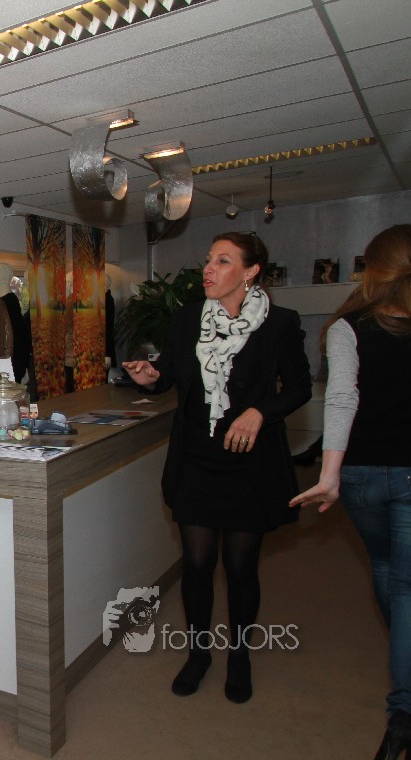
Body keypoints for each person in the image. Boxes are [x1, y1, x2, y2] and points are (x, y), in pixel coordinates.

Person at [122, 231, 311, 704]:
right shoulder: (189, 318)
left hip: (249, 465)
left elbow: (300, 387)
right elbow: (168, 375)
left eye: (222, 261)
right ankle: (198, 653)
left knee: (240, 567)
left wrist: (260, 411)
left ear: (250, 272)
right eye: (209, 259)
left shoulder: (280, 324)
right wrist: (150, 377)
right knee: (198, 564)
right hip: (195, 461)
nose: (208, 268)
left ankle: (239, 654)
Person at [290, 224, 411, 759]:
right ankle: (404, 710)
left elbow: (341, 399)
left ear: (372, 269)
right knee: (405, 585)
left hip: (360, 476)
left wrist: (330, 474)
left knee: (386, 569)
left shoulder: (348, 327)